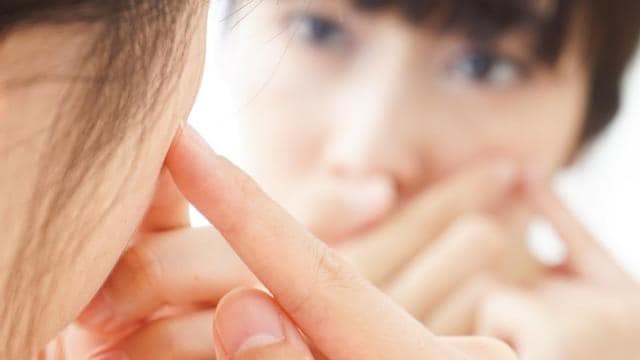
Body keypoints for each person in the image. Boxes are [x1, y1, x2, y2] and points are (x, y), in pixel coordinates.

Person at [65, 0, 640, 359]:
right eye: (319, 30)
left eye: (483, 66)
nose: (369, 152)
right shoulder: (82, 308)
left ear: (589, 122)